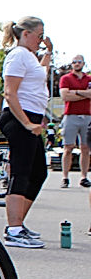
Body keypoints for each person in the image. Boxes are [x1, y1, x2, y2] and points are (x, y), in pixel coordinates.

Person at [0, 17, 52, 248]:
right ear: (26, 34)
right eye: (39, 36)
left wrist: (49, 52)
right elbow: (10, 93)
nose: (41, 40)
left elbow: (41, 75)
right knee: (20, 171)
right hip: (19, 118)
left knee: (38, 171)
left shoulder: (30, 57)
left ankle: (18, 223)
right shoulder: (18, 55)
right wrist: (27, 123)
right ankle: (13, 229)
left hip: (32, 117)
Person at [58, 54, 91, 188]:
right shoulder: (65, 78)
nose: (77, 64)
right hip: (70, 115)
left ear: (83, 64)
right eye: (74, 62)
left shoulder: (89, 79)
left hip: (87, 116)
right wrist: (84, 93)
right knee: (68, 147)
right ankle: (65, 177)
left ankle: (84, 177)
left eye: (79, 62)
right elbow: (65, 96)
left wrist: (76, 92)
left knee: (85, 148)